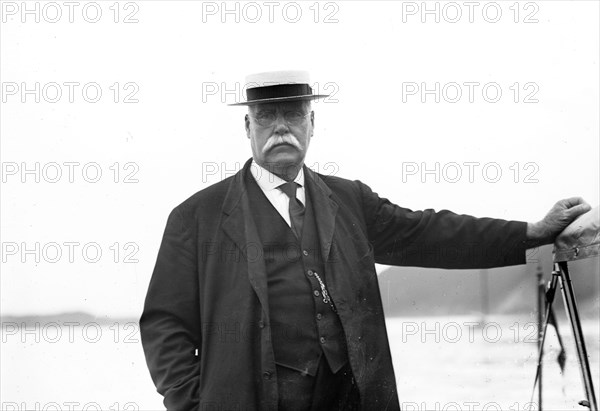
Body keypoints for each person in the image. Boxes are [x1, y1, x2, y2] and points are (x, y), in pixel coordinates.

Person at [139, 70, 591, 411]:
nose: (281, 127)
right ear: (247, 128)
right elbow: (164, 326)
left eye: (293, 113)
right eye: (266, 116)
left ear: (312, 122)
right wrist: (195, 406)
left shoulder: (349, 200)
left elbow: (431, 234)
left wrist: (532, 234)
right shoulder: (196, 218)